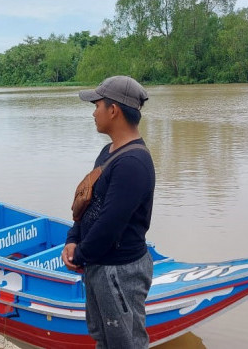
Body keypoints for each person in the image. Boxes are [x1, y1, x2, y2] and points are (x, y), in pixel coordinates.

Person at [62, 75, 156, 348]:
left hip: (120, 271)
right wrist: (73, 238)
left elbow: (110, 224)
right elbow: (88, 202)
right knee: (103, 338)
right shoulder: (109, 152)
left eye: (97, 105)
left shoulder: (133, 162)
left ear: (113, 110)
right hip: (99, 264)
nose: (94, 112)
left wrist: (80, 255)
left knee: (125, 342)